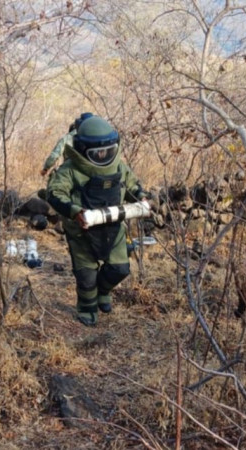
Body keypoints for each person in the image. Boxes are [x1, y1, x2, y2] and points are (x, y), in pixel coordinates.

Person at [47, 115, 148, 326]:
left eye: (106, 151)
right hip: (81, 233)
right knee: (86, 277)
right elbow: (55, 193)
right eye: (97, 153)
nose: (103, 155)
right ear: (83, 150)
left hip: (113, 228)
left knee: (120, 269)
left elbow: (132, 186)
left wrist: (142, 197)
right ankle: (87, 307)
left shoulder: (119, 167)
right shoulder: (71, 170)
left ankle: (103, 291)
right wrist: (74, 211)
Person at [40, 112, 93, 177]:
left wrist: (46, 169)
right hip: (91, 172)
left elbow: (54, 156)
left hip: (69, 172)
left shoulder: (66, 138)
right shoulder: (97, 137)